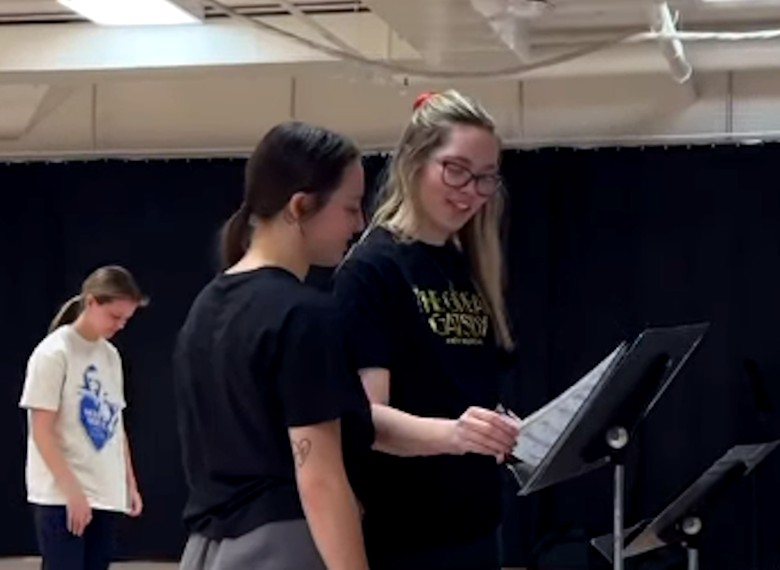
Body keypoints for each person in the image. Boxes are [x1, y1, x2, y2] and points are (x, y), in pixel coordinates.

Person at [333, 89, 520, 570]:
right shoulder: (372, 269)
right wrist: (456, 435)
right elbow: (366, 420)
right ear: (415, 161)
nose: (470, 191)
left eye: (484, 178)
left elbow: (460, 391)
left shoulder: (466, 266)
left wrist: (498, 428)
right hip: (408, 536)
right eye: (455, 169)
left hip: (476, 526)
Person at [174, 121, 373, 570]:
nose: (359, 224)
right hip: (283, 547)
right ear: (300, 206)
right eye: (351, 207)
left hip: (208, 550)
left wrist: (452, 434)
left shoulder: (206, 307)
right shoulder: (303, 315)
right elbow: (320, 477)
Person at [19, 265, 148, 570]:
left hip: (105, 493)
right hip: (62, 495)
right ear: (91, 303)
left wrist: (128, 483)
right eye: (114, 317)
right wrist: (72, 492)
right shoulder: (54, 353)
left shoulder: (110, 356)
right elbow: (41, 430)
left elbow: (116, 425)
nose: (120, 326)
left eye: (126, 319)